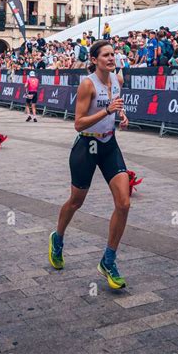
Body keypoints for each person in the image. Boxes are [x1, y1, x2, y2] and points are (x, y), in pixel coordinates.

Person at [49, 40, 129, 289]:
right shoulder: (87, 84)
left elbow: (115, 107)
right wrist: (107, 112)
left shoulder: (118, 80)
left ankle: (108, 260)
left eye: (113, 54)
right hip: (86, 146)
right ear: (94, 60)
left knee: (124, 203)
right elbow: (79, 123)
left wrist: (120, 115)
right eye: (106, 55)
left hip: (109, 145)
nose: (111, 58)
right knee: (76, 201)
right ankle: (58, 238)